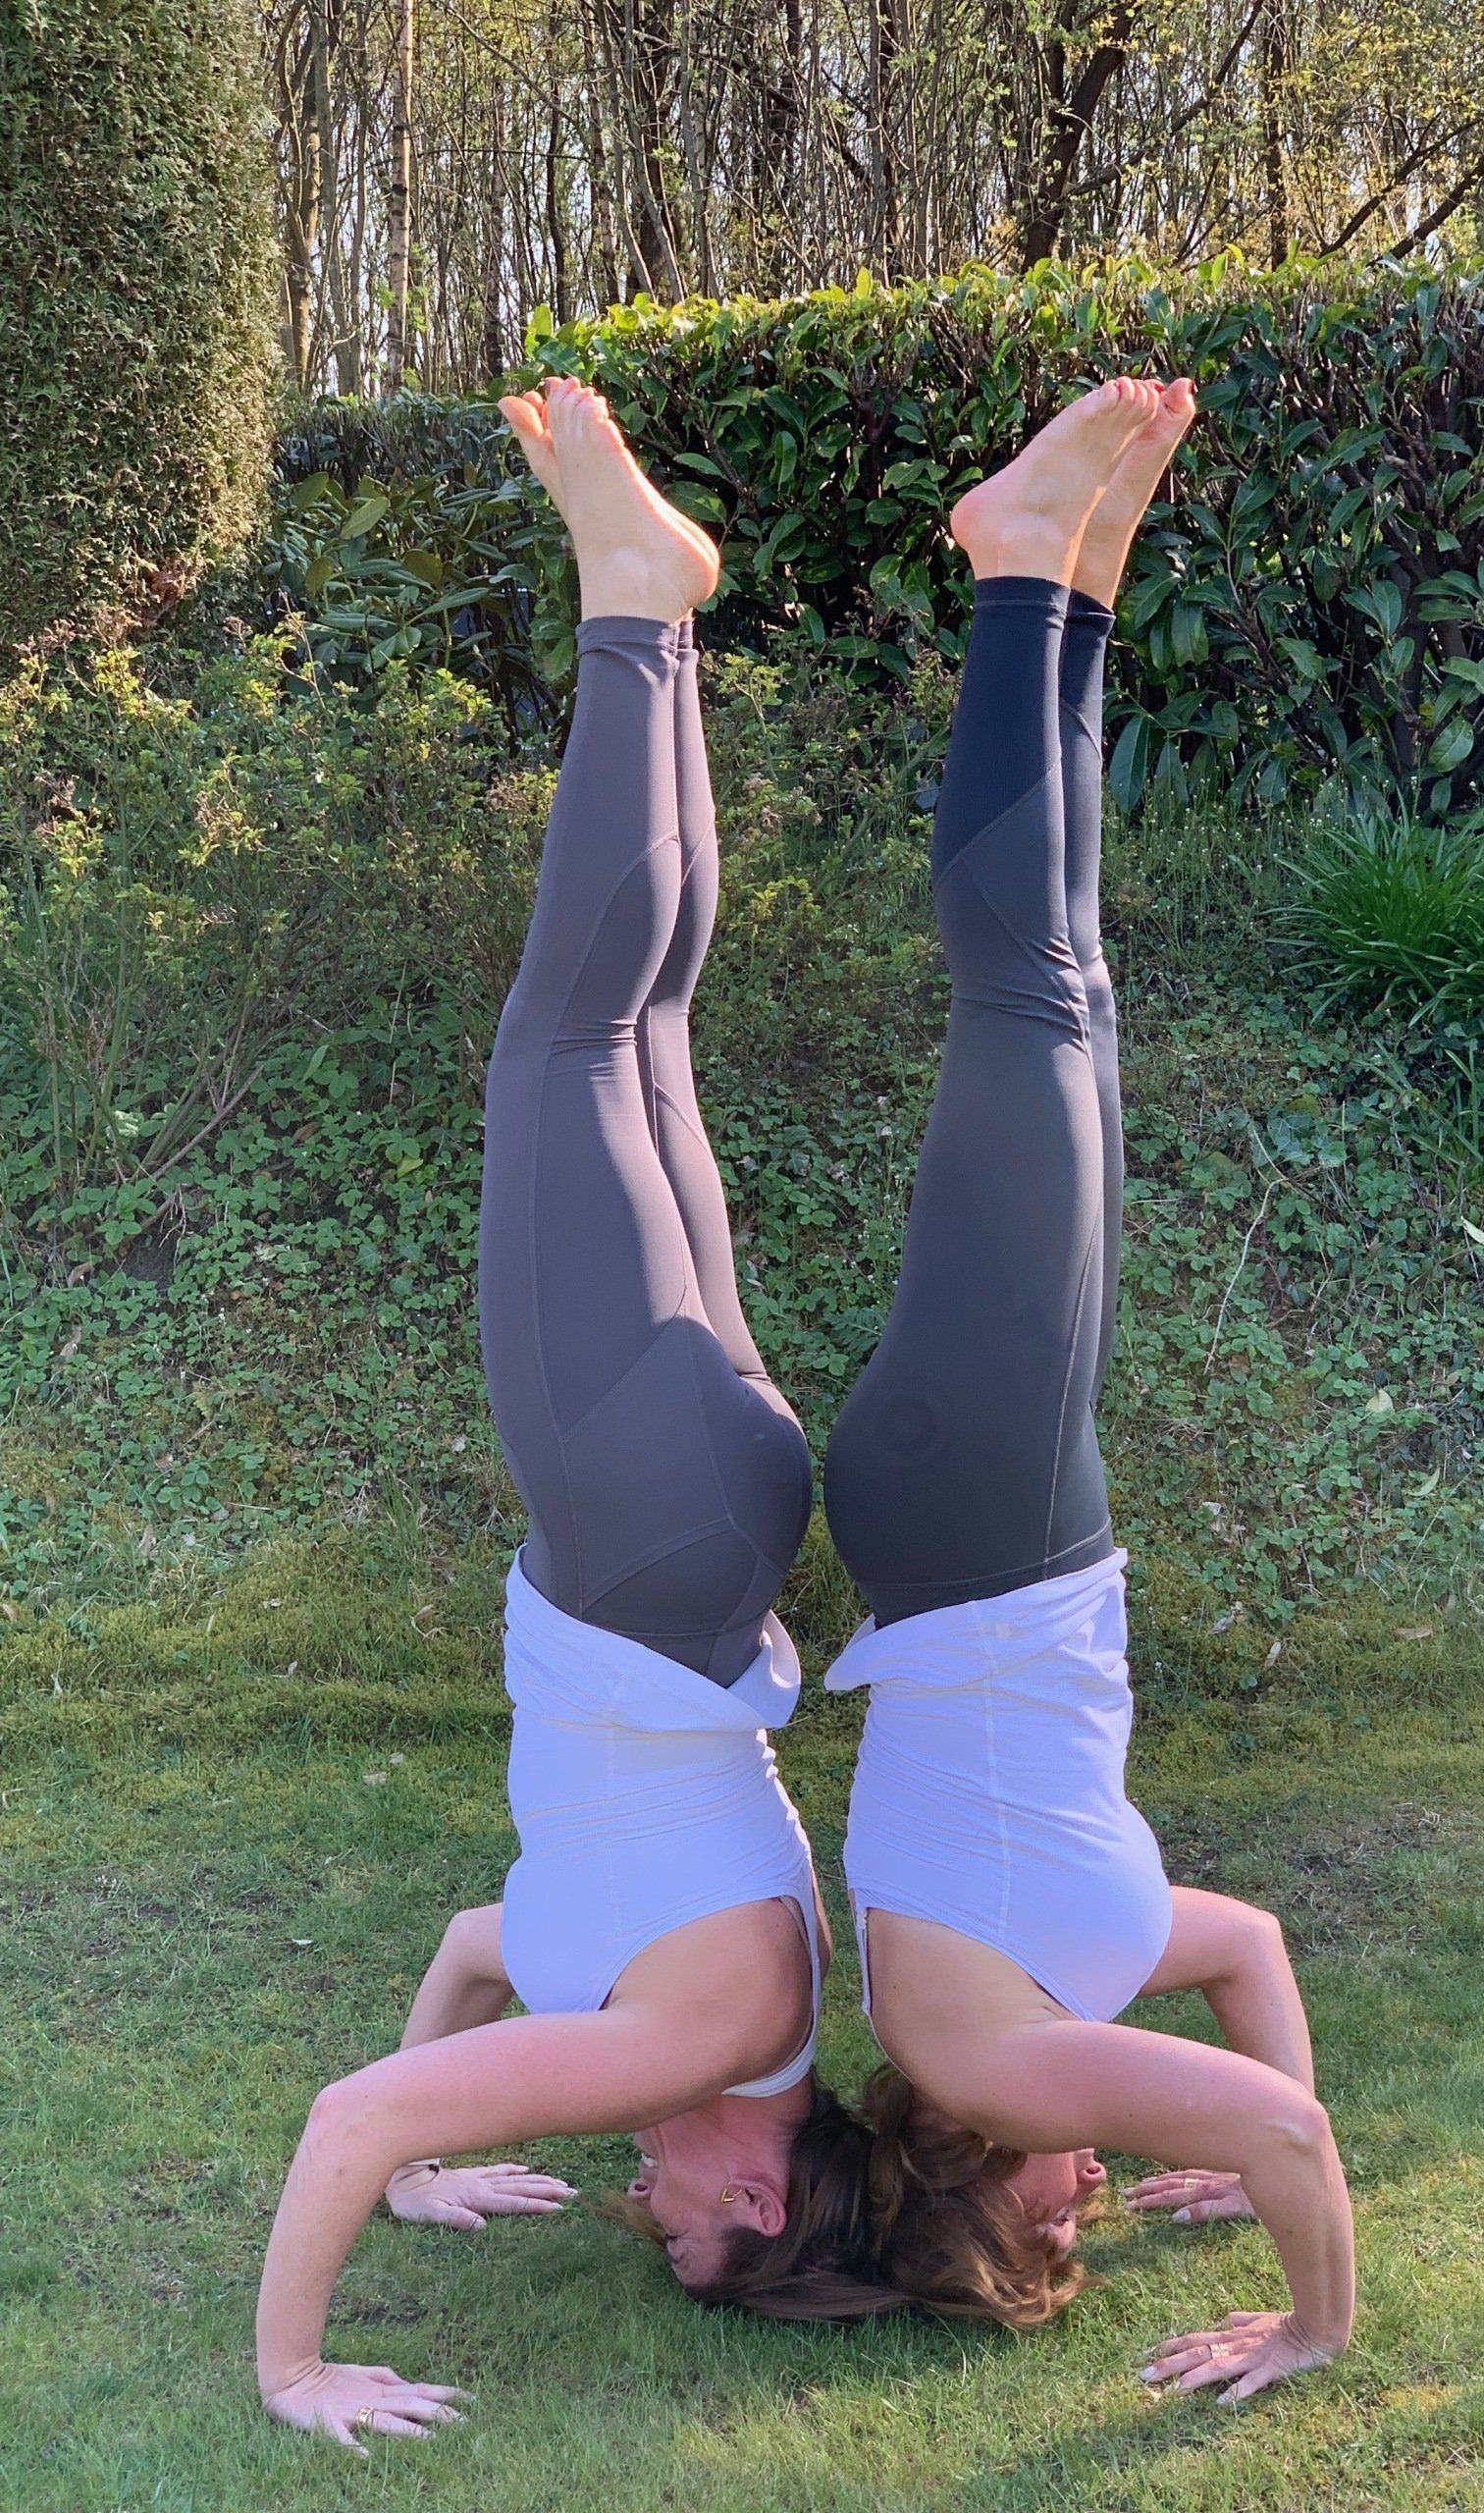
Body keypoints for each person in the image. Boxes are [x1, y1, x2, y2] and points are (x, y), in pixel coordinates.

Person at [254, 377, 888, 2456]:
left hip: (713, 1518)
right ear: (762, 2195)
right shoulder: (689, 2043)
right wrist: (296, 2363)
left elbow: (475, 1950)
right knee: (560, 1040)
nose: (641, 2198)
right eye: (682, 2226)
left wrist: (439, 2156)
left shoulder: (714, 2015)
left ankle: (663, 614)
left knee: (639, 1028)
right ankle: (631, 606)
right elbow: (349, 2113)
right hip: (639, 1528)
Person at [820, 377, 1357, 2401]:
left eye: (1051, 2226)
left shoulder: (995, 2062)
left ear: (962, 2171)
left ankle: (1010, 570)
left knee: (1024, 1000)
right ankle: (1076, 587)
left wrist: (1310, 2318)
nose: (1093, 2200)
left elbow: (1286, 2132)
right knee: (1073, 993)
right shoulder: (1051, 2011)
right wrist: (1235, 2137)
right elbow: (1246, 1953)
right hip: (988, 1513)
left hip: (981, 1523)